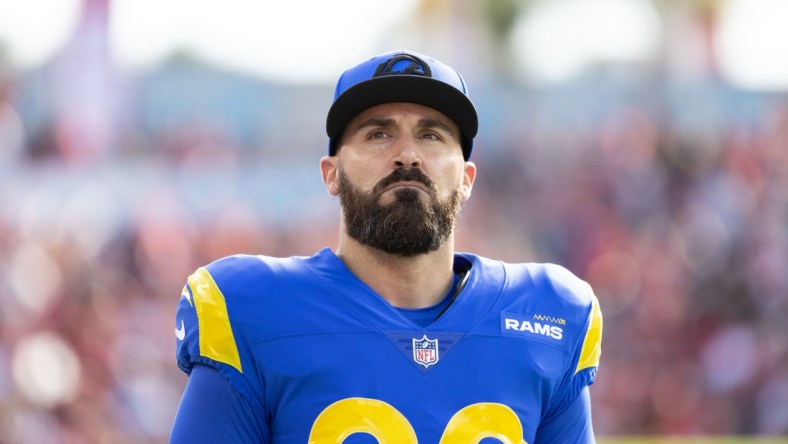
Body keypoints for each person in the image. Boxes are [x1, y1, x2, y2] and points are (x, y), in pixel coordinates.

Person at [170, 49, 603, 443]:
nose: (408, 155)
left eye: (432, 135)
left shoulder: (549, 314)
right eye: (378, 134)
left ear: (467, 178)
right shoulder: (253, 309)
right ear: (331, 174)